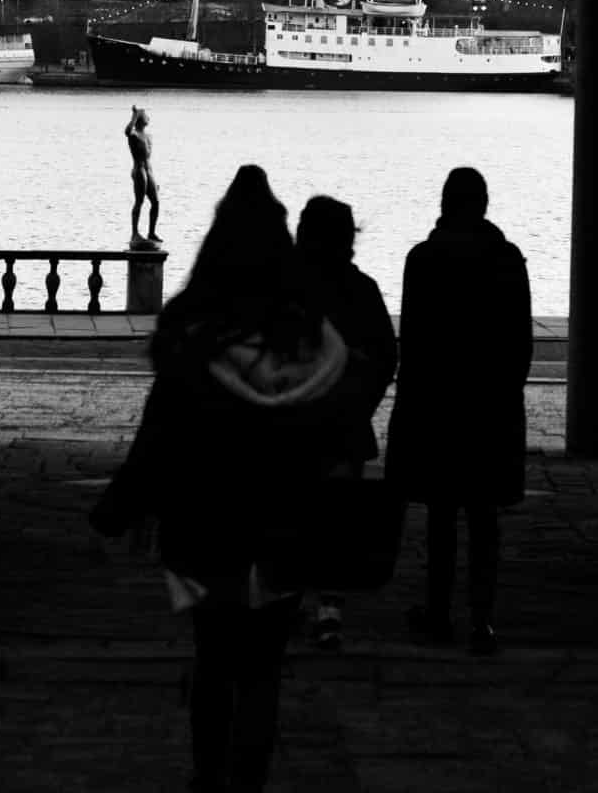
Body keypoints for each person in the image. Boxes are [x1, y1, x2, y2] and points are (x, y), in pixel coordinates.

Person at [90, 164, 350, 793]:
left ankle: (209, 776)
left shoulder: (192, 340)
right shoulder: (314, 345)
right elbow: (335, 440)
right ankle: (250, 780)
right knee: (264, 671)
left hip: (207, 531)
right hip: (285, 531)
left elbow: (159, 439)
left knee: (214, 659)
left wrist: (120, 507)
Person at [383, 166, 532, 657]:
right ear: (484, 205)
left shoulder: (421, 261)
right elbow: (520, 346)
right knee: (485, 517)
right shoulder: (509, 261)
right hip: (490, 406)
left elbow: (416, 345)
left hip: (438, 405)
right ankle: (482, 620)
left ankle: (439, 612)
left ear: (445, 203)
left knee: (442, 515)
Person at [292, 194, 397, 652]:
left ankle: (288, 592)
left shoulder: (284, 288)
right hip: (344, 423)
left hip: (293, 421)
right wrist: (362, 403)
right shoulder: (362, 290)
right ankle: (328, 606)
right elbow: (386, 357)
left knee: (292, 510)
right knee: (335, 517)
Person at [127, 106, 162, 246]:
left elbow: (149, 158)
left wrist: (154, 179)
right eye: (146, 115)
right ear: (140, 120)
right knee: (139, 201)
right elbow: (127, 131)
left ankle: (151, 232)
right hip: (139, 170)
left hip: (149, 170)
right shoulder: (134, 134)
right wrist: (134, 116)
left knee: (156, 201)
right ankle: (135, 233)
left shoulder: (148, 136)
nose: (148, 118)